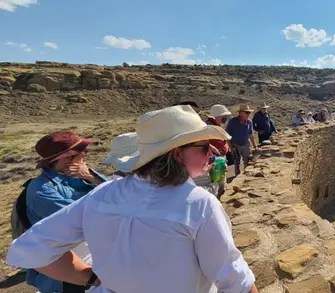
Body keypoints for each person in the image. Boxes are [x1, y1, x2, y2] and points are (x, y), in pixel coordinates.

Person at [7, 105, 259, 293]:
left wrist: (93, 279)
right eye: (204, 147)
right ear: (177, 155)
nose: (212, 153)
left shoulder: (102, 194)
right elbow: (234, 279)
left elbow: (28, 251)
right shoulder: (197, 203)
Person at [25, 130, 107, 293]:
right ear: (66, 158)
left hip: (94, 258)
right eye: (80, 151)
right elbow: (85, 219)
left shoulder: (83, 176)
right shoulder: (41, 191)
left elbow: (118, 197)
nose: (85, 154)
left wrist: (93, 178)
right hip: (70, 273)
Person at [225, 104, 258, 175]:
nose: (248, 114)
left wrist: (255, 146)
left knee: (247, 162)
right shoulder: (232, 122)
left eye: (249, 112)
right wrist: (231, 147)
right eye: (247, 112)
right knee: (236, 164)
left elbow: (251, 134)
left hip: (246, 145)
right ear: (240, 113)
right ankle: (237, 178)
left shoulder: (249, 122)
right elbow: (227, 136)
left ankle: (246, 177)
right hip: (235, 145)